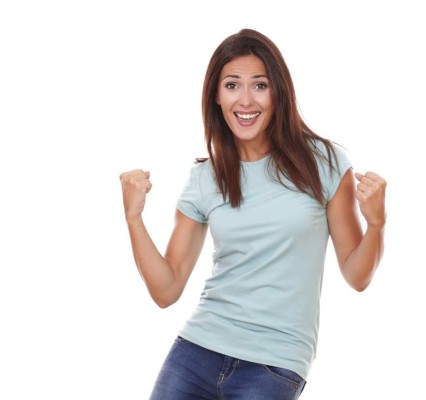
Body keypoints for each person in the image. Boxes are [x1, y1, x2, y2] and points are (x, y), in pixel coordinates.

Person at [119, 28, 386, 400]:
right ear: (215, 95)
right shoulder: (204, 178)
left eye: (259, 85)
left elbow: (358, 276)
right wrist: (134, 219)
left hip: (274, 363)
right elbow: (166, 290)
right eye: (232, 85)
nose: (245, 100)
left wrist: (376, 223)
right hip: (196, 351)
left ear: (279, 91)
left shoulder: (323, 163)